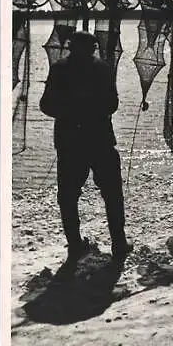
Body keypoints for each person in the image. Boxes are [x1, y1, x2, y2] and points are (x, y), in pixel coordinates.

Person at [40, 31, 133, 264]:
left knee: (69, 196)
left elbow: (46, 105)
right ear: (93, 48)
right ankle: (118, 243)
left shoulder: (59, 68)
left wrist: (69, 112)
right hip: (99, 139)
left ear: (70, 47)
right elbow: (112, 104)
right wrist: (90, 109)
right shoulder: (102, 69)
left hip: (70, 141)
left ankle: (75, 245)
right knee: (112, 193)